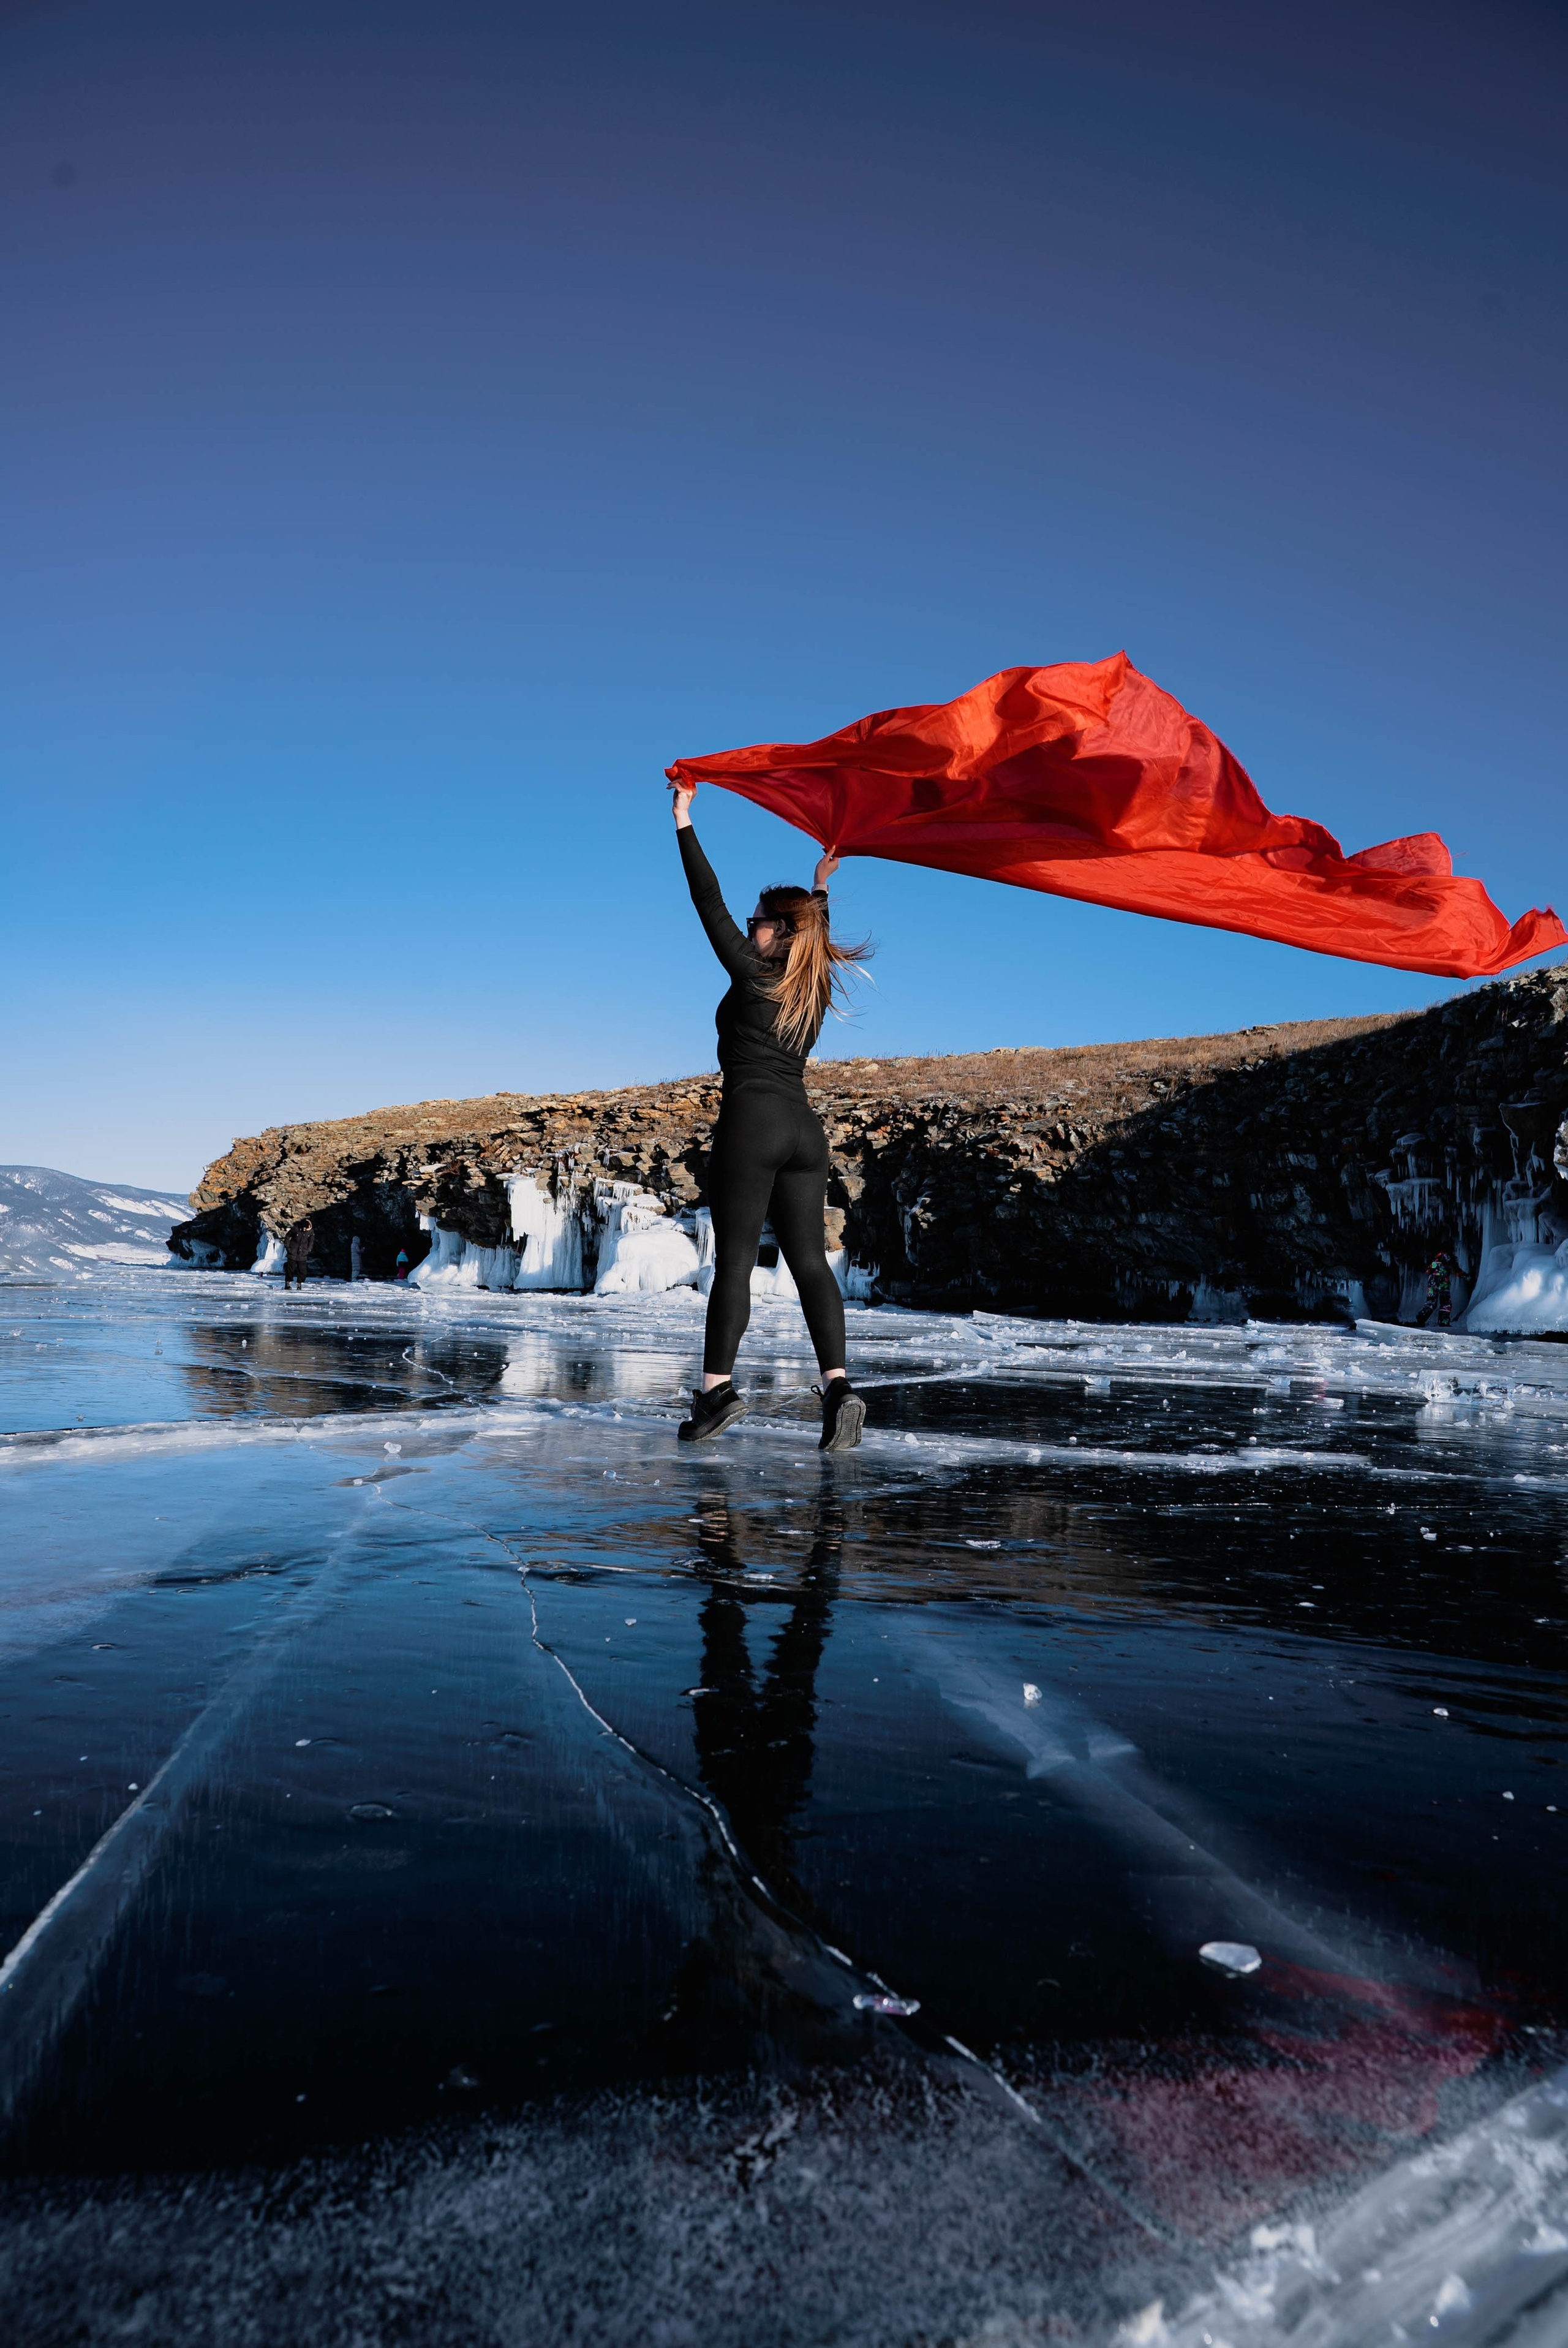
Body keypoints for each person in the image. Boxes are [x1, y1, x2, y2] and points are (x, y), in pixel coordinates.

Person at [671, 781, 871, 1449]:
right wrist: (820, 885)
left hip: (753, 1123)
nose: (749, 925)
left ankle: (716, 1393)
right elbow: (812, 931)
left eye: (758, 919)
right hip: (804, 1132)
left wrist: (683, 820)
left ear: (780, 931)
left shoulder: (755, 974)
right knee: (809, 1262)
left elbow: (706, 900)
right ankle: (838, 1388)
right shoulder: (811, 987)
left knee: (733, 1262)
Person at [1415, 1247, 1458, 1329]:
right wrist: (1465, 1276)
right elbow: (1454, 1268)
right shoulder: (1447, 1258)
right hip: (1443, 1282)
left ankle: (1421, 1318)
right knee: (1446, 1303)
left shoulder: (1434, 1261)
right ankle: (1444, 1321)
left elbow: (1428, 1271)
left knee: (1431, 1303)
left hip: (1432, 1283)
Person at [284, 1218, 314, 1291]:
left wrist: (308, 1250)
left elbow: (311, 1242)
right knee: (290, 1270)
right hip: (292, 1253)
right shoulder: (295, 1229)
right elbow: (288, 1236)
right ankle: (287, 1283)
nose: (304, 1230)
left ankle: (299, 1283)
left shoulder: (310, 1232)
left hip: (303, 1254)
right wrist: (288, 1248)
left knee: (302, 1271)